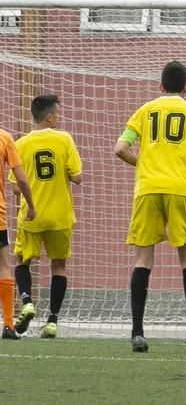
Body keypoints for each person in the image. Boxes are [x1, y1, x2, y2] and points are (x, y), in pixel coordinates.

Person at [114, 60, 186, 353]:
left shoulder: (144, 110)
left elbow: (119, 149)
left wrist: (142, 164)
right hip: (180, 190)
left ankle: (138, 333)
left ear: (160, 85)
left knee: (143, 260)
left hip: (147, 190)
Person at [10, 95, 82, 339]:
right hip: (60, 216)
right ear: (50, 116)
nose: (59, 118)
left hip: (32, 215)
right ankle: (52, 321)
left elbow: (15, 186)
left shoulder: (21, 144)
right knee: (59, 266)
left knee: (22, 260)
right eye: (58, 114)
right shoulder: (64, 139)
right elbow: (78, 177)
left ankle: (28, 301)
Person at [0, 129, 35, 340]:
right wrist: (31, 205)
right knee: (3, 266)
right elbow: (21, 178)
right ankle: (8, 325)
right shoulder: (4, 137)